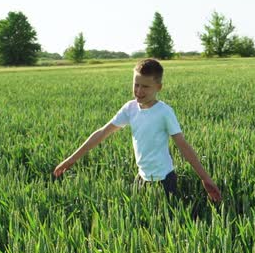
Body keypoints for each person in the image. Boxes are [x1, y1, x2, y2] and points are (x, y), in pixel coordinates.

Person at [53, 58, 222, 202]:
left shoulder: (164, 112)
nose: (139, 91)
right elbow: (103, 132)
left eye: (145, 87)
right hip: (141, 177)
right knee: (138, 218)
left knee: (167, 221)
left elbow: (183, 145)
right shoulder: (130, 108)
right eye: (136, 85)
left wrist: (205, 178)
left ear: (158, 88)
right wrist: (71, 159)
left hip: (164, 179)